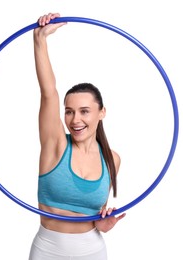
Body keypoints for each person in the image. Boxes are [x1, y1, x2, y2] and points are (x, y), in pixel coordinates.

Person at [29, 13, 126, 260]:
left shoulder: (112, 160)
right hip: (48, 250)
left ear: (101, 113)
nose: (75, 120)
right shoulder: (56, 145)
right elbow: (48, 92)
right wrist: (40, 40)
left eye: (84, 111)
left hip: (92, 250)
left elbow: (93, 214)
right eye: (69, 112)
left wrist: (102, 224)